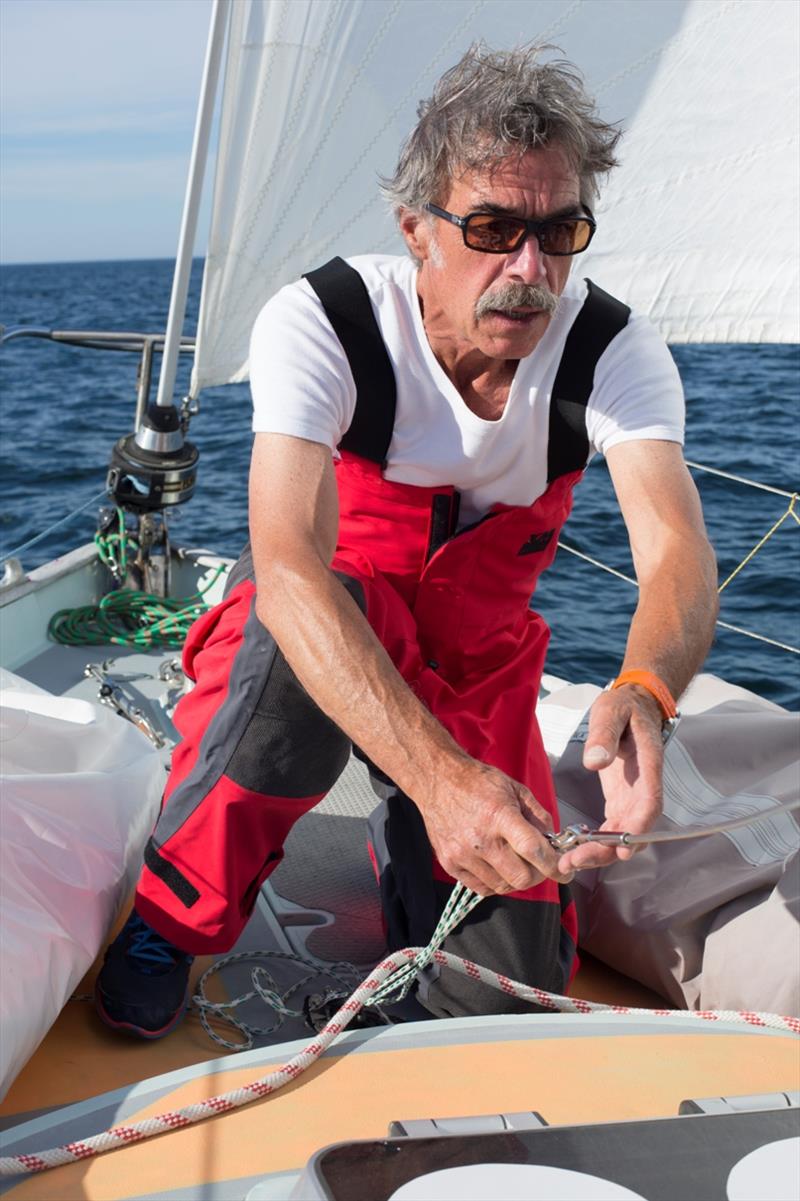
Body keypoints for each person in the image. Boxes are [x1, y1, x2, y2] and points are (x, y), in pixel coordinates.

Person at [95, 44, 718, 1038]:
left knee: (503, 995)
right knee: (298, 639)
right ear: (414, 229)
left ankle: (408, 849)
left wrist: (646, 687)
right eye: (491, 228)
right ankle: (173, 915)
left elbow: (675, 554)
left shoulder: (609, 351)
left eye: (557, 232)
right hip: (325, 629)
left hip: (474, 666)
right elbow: (292, 573)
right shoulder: (328, 322)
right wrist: (439, 784)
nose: (529, 269)